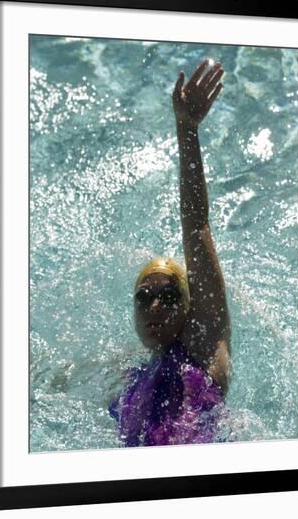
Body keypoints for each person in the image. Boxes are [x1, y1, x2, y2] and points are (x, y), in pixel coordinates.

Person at [109, 59, 231, 447]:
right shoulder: (130, 375)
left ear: (188, 305)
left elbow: (196, 223)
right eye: (145, 297)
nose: (156, 306)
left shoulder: (203, 348)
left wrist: (187, 129)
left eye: (169, 295)